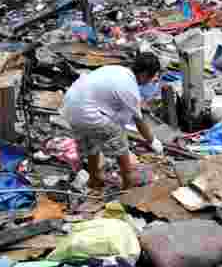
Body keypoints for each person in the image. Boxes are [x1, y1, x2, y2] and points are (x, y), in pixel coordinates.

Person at [61, 52, 163, 190]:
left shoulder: (116, 69)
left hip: (70, 106)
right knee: (119, 141)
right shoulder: (129, 87)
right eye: (151, 78)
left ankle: (94, 180)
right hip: (87, 111)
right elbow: (139, 121)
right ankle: (128, 186)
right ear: (144, 74)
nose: (150, 82)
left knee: (91, 143)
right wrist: (153, 142)